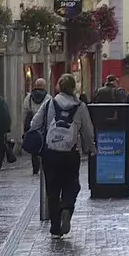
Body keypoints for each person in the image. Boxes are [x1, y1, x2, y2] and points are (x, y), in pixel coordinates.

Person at [31, 73, 96, 237]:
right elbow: (88, 131)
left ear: (59, 86)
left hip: (50, 153)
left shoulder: (49, 103)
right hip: (71, 153)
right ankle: (66, 207)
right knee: (71, 185)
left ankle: (55, 227)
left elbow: (34, 124)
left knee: (52, 189)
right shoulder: (80, 106)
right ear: (74, 87)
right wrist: (91, 147)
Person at [21, 77, 49, 175]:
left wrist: (24, 125)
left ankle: (35, 167)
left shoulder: (28, 98)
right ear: (44, 86)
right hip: (44, 126)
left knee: (34, 146)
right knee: (44, 146)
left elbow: (24, 112)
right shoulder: (48, 98)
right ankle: (44, 165)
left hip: (32, 125)